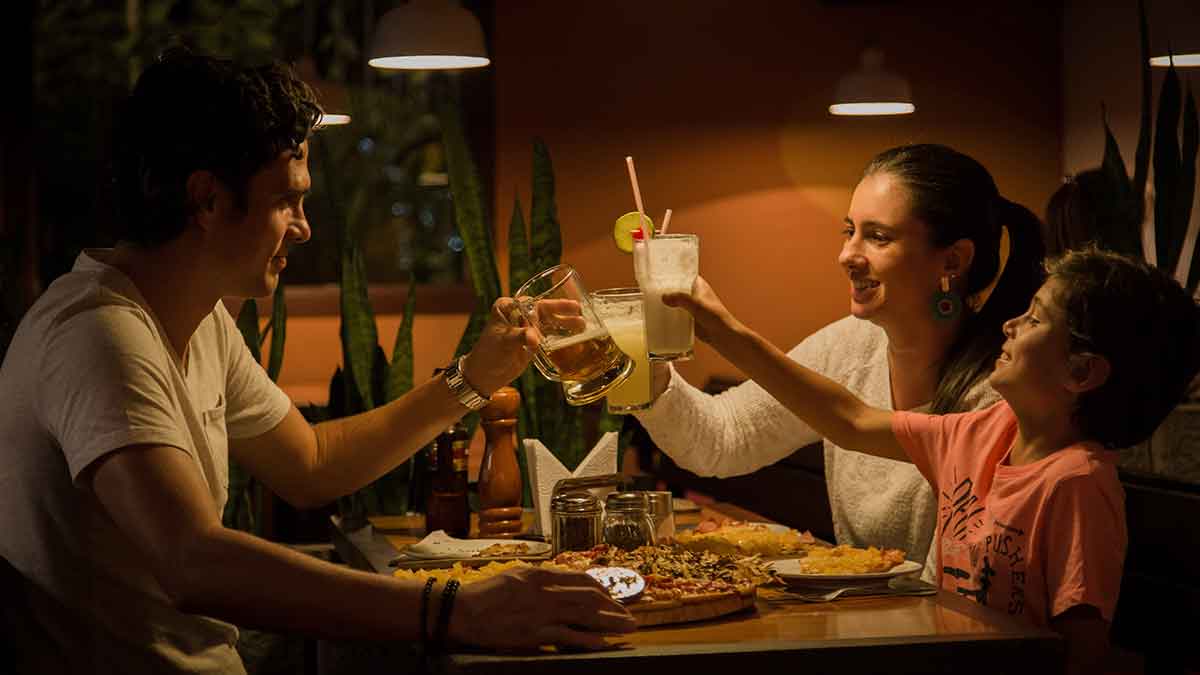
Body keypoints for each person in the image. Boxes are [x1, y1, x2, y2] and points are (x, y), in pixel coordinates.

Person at [0, 48, 632, 675]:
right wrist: (457, 611)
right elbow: (194, 563)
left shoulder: (198, 318)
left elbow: (311, 462)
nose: (302, 227)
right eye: (286, 200)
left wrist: (475, 378)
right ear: (207, 199)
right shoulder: (98, 336)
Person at [666, 246, 1200, 674]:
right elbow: (849, 419)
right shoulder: (984, 431)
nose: (1010, 324)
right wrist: (726, 332)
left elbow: (1081, 651)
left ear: (1081, 372)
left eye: (1035, 319)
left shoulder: (1077, 484)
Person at [636, 144, 1046, 579]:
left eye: (878, 236)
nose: (847, 255)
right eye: (849, 231)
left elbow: (952, 585)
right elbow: (722, 440)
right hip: (856, 610)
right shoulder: (850, 345)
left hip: (932, 620)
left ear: (953, 260)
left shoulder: (999, 388)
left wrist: (727, 334)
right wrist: (640, 365)